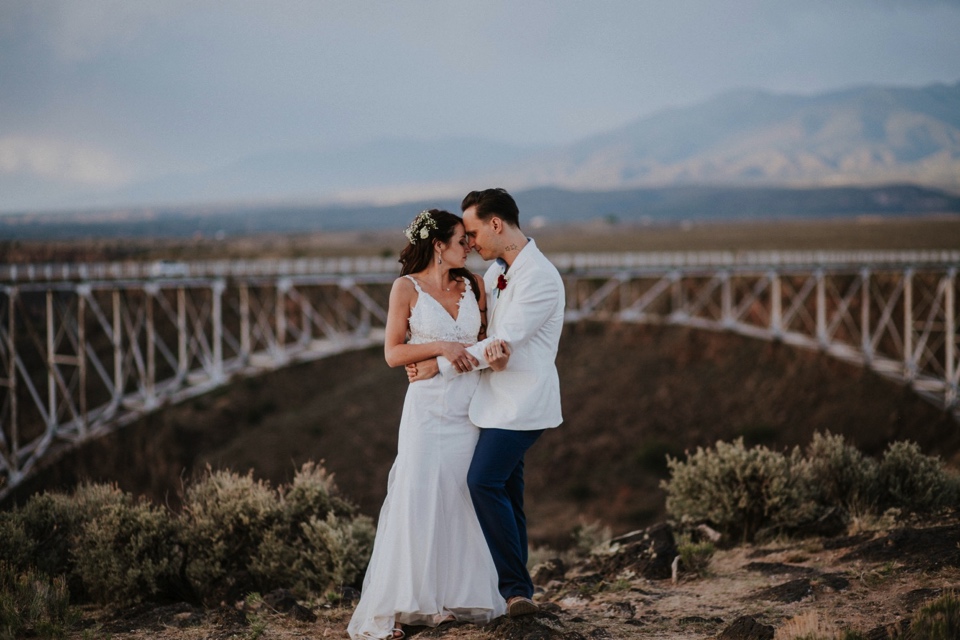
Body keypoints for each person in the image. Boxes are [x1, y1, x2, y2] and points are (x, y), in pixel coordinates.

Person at [347, 209, 510, 640]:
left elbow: (484, 344)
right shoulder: (406, 288)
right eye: (461, 240)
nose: (470, 246)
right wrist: (439, 346)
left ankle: (453, 597)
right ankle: (404, 605)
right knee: (417, 495)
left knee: (459, 494)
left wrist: (444, 363)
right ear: (438, 245)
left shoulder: (474, 285)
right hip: (425, 411)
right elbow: (393, 354)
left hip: (468, 405)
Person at [408, 188, 565, 618]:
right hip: (492, 400)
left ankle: (514, 590)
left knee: (483, 482)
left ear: (496, 224)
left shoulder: (540, 277)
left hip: (523, 404)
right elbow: (487, 339)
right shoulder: (499, 271)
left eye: (474, 231)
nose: (470, 241)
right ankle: (518, 594)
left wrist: (435, 366)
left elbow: (504, 340)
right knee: (509, 494)